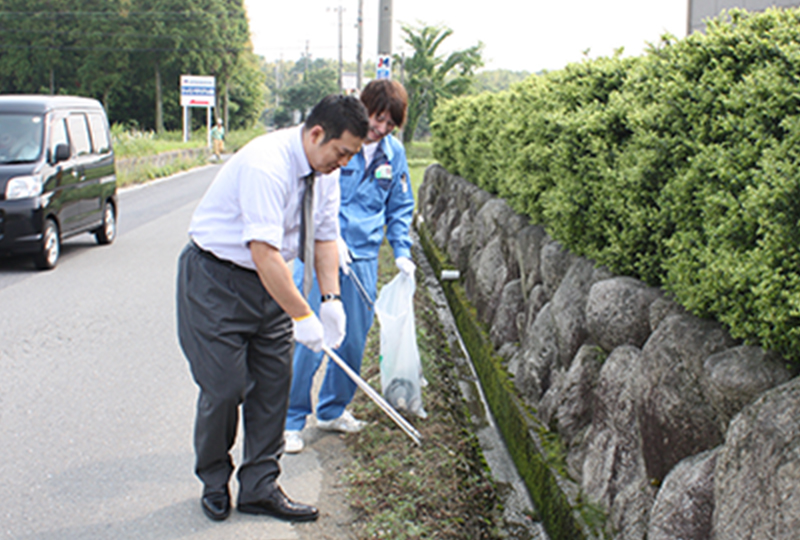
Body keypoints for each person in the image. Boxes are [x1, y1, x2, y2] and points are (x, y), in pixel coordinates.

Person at [176, 94, 369, 523]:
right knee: (225, 387)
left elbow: (323, 238)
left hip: (272, 283)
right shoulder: (267, 164)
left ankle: (260, 487)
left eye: (351, 155)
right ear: (317, 133)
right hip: (216, 280)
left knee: (272, 386)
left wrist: (331, 301)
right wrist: (303, 315)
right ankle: (213, 480)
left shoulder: (326, 170)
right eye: (342, 152)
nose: (344, 163)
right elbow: (262, 252)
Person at [285, 79, 416, 453]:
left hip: (363, 258)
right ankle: (292, 420)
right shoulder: (338, 144)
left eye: (390, 124)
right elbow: (310, 194)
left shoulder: (394, 155)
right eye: (378, 120)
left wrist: (402, 251)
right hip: (322, 253)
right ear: (364, 109)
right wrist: (329, 237)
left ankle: (332, 409)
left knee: (353, 340)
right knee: (311, 338)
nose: (381, 129)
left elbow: (400, 206)